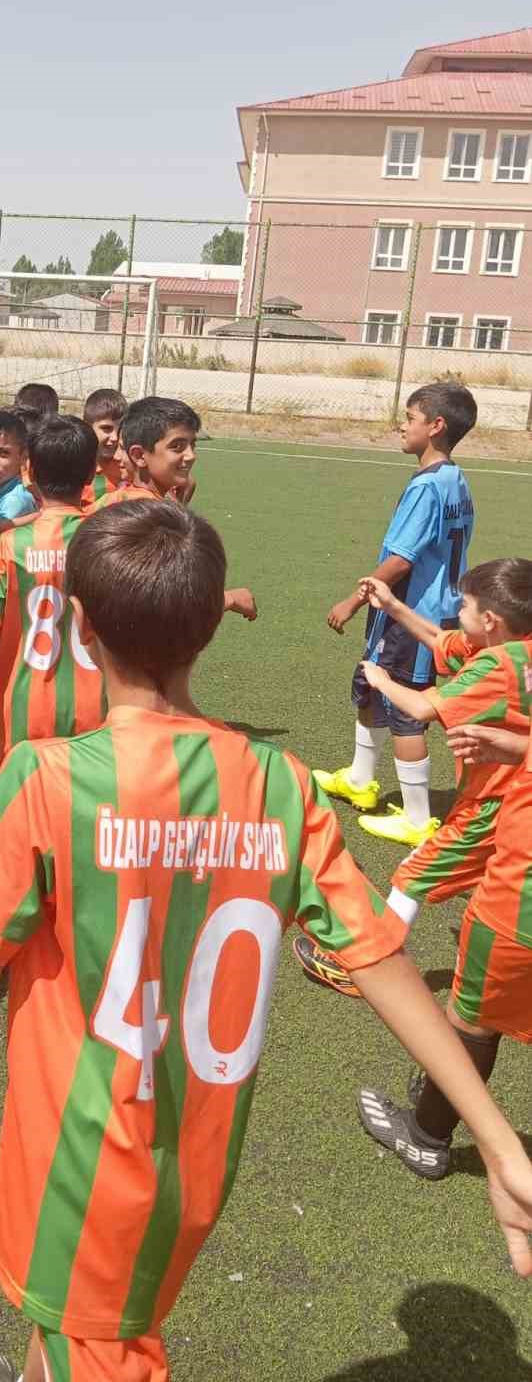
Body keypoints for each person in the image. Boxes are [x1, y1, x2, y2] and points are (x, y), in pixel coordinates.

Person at [0, 499, 532, 1382]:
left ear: (81, 627)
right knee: (80, 1322)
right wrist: (498, 1138)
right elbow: (380, 960)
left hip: (81, 1160)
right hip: (195, 1158)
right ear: (209, 629)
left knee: (104, 1342)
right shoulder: (279, 785)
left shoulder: (49, 779)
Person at [297, 559, 532, 996]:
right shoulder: (517, 646)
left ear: (490, 621)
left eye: (464, 605)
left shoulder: (495, 665)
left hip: (491, 804)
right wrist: (393, 606)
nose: (457, 610)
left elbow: (424, 708)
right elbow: (444, 642)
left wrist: (381, 679)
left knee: (412, 873)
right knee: (494, 884)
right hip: (518, 799)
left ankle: (364, 969)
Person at [358, 710, 532, 1180]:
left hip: (518, 905)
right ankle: (441, 1097)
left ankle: (425, 1137)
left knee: (472, 1022)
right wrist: (519, 749)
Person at [318, 382, 478, 848]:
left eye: (409, 418)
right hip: (417, 608)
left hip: (413, 610)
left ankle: (417, 817)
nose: (401, 427)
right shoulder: (456, 478)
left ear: (435, 426)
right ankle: (362, 780)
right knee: (370, 680)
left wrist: (353, 599)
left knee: (408, 704)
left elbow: (402, 559)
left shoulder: (429, 486)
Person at [0, 414, 104, 778]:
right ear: (92, 472)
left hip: (23, 703)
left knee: (20, 809)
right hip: (94, 702)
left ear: (28, 471)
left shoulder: (12, 544)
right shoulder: (105, 540)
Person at [96, 396, 257, 622]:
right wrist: (228, 599)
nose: (191, 455)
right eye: (177, 446)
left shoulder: (111, 502)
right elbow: (158, 606)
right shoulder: (150, 519)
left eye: (193, 444)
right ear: (139, 455)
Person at [80, 386, 129, 508]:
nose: (114, 437)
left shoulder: (130, 467)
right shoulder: (76, 467)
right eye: (106, 428)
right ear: (87, 426)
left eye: (119, 429)